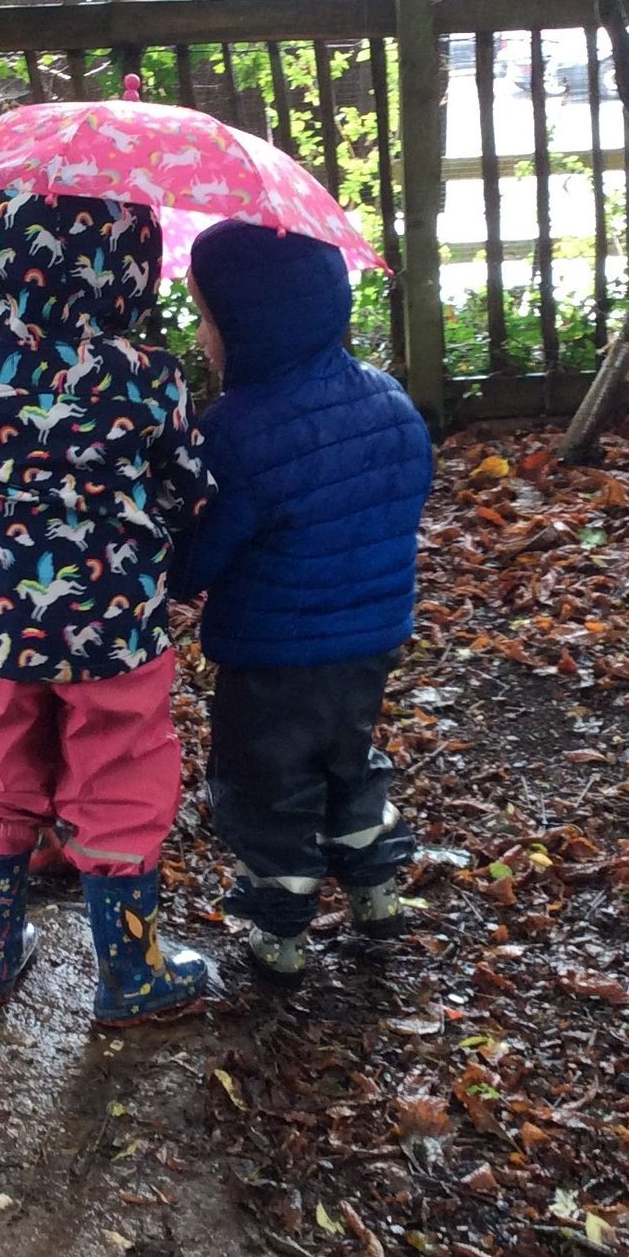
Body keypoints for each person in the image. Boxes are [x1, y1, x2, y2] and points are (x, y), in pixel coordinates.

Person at [0, 191, 216, 1022]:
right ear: (133, 268)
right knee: (119, 773)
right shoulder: (149, 374)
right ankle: (130, 974)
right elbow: (188, 489)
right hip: (116, 623)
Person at [170, 221, 434, 989]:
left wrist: (175, 563)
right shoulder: (387, 397)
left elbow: (203, 554)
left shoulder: (236, 430)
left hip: (272, 654)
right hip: (370, 637)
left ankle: (280, 929)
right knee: (346, 754)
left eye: (207, 318)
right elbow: (405, 490)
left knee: (265, 780)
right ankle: (376, 887)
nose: (203, 334)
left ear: (247, 325)